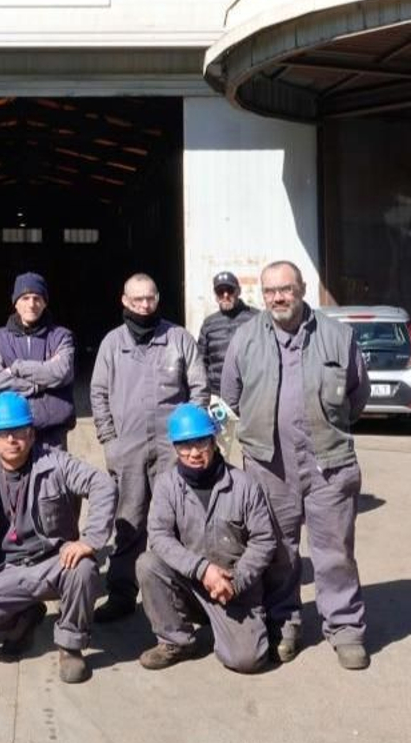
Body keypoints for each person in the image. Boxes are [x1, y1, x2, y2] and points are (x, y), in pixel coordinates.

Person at [221, 260, 371, 670]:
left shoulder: (338, 338)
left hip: (328, 463)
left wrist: (325, 431)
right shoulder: (245, 339)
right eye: (270, 291)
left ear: (302, 289)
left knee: (335, 551)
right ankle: (285, 622)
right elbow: (230, 397)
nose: (278, 298)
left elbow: (358, 395)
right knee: (278, 552)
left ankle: (345, 629)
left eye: (285, 289)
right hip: (268, 467)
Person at [0, 393, 116, 684]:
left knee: (84, 568)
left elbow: (102, 484)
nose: (12, 440)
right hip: (7, 570)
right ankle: (22, 620)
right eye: (3, 433)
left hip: (53, 561)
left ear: (32, 434)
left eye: (19, 432)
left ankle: (70, 646)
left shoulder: (55, 463)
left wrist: (89, 540)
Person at [89, 273, 208, 622]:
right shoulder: (113, 343)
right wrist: (109, 441)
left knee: (180, 521)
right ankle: (122, 593)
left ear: (158, 298)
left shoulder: (178, 338)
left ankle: (183, 595)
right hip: (128, 449)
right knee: (129, 521)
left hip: (175, 450)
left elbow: (199, 388)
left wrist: (191, 440)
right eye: (137, 299)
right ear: (124, 301)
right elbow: (98, 394)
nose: (144, 305)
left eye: (150, 298)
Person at [137, 404, 286, 674]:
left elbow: (264, 541)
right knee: (148, 564)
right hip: (191, 582)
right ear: (174, 447)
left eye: (201, 442)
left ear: (214, 440)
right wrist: (202, 570)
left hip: (233, 588)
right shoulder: (167, 485)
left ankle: (230, 629)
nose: (194, 453)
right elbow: (159, 536)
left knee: (247, 661)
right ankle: (177, 641)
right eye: (185, 445)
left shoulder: (244, 485)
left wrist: (236, 580)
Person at [0, 272, 76, 449]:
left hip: (53, 435)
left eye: (37, 298)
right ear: (15, 302)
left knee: (54, 477)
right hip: (12, 434)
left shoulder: (61, 336)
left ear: (45, 302)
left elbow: (61, 373)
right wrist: (38, 384)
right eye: (25, 298)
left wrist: (17, 367)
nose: (31, 304)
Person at [199, 271, 255, 397]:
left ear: (238, 291)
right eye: (220, 291)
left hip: (250, 395)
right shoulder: (209, 324)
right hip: (218, 398)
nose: (225, 295)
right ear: (215, 295)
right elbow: (201, 363)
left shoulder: (256, 319)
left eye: (230, 290)